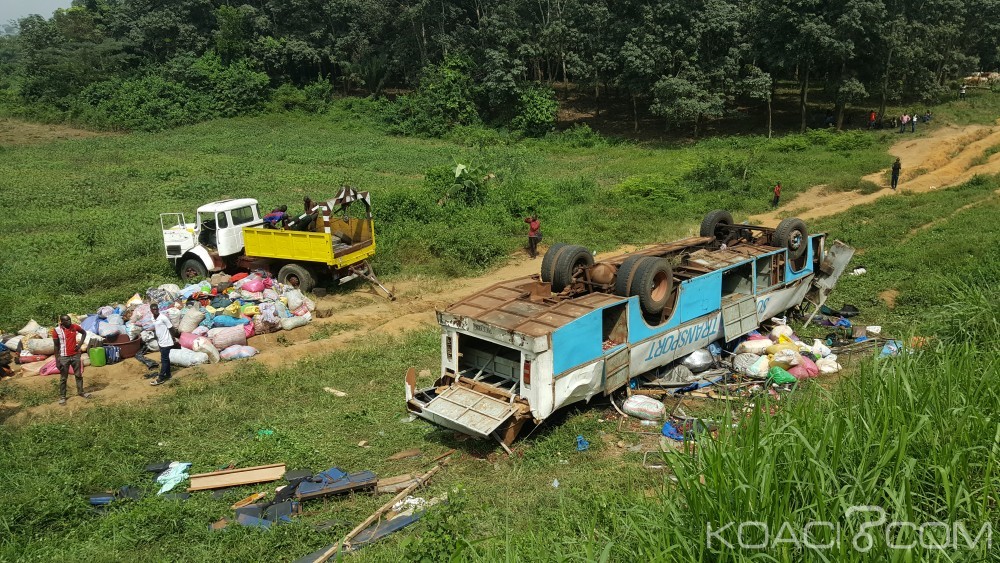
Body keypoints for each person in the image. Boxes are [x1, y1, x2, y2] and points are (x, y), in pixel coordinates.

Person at [52, 315, 90, 405]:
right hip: (64, 357)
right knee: (63, 378)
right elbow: (56, 346)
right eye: (67, 320)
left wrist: (80, 345)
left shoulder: (74, 327)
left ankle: (81, 392)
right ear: (62, 322)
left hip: (75, 355)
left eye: (69, 319)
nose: (69, 321)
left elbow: (84, 333)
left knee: (78, 375)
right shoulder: (56, 330)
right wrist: (57, 361)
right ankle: (62, 397)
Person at [149, 304, 177, 386]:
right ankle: (168, 375)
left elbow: (171, 328)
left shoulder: (163, 318)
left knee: (164, 360)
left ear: (158, 309)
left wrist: (173, 338)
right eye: (153, 309)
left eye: (156, 309)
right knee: (166, 359)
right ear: (151, 311)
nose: (155, 310)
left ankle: (161, 378)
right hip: (160, 342)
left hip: (166, 342)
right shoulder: (152, 318)